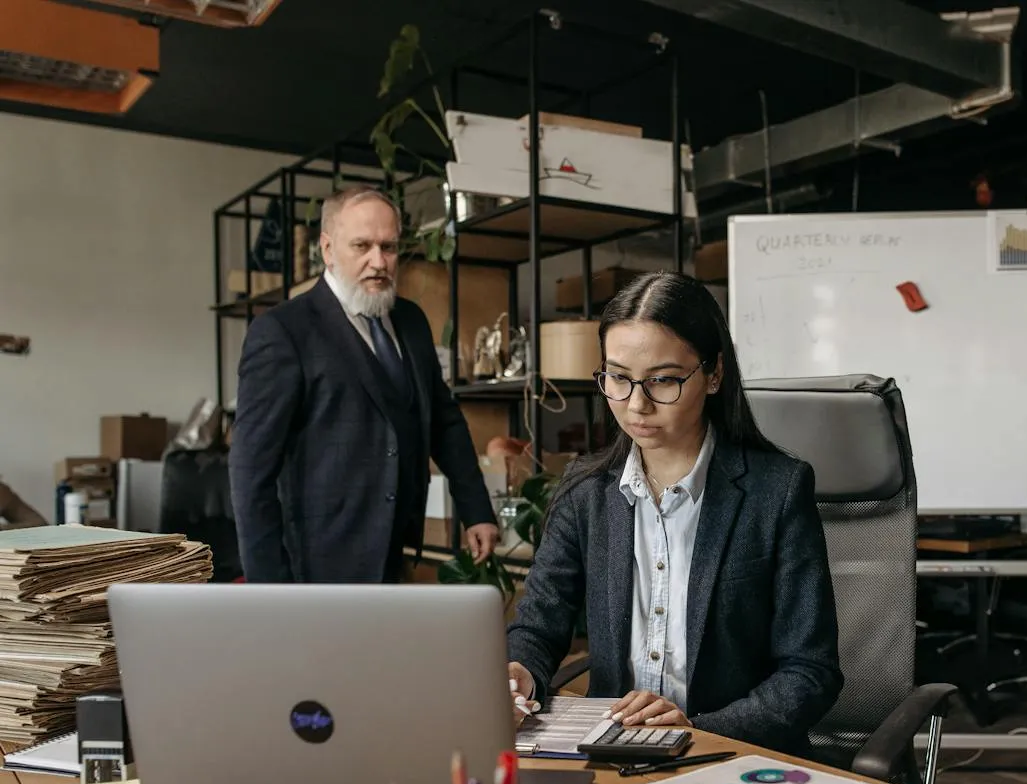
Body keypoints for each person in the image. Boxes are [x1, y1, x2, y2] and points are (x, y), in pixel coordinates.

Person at [504, 271, 843, 754]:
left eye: (662, 380)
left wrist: (700, 729)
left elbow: (810, 671)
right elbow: (538, 625)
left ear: (714, 374)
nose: (636, 405)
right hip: (613, 754)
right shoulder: (586, 490)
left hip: (727, 756)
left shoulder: (778, 491)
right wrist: (520, 672)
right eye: (618, 378)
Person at [229, 184, 499, 583]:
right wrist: (269, 589)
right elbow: (250, 469)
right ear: (327, 249)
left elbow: (443, 420)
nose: (378, 262)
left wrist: (476, 509)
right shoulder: (283, 331)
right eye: (362, 246)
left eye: (388, 247)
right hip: (315, 562)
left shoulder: (411, 322)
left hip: (394, 553)